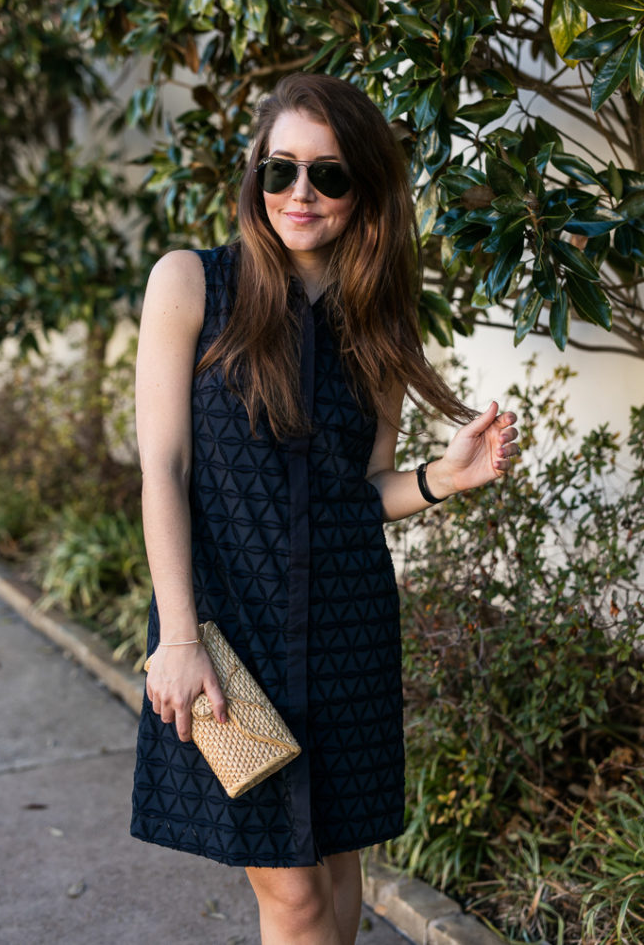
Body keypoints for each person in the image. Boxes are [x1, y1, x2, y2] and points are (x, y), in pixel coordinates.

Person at [130, 73, 519, 945]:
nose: (299, 194)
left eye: (329, 175)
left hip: (346, 631)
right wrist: (180, 639)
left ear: (366, 191)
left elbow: (362, 489)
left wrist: (443, 480)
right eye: (281, 170)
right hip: (225, 636)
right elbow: (162, 467)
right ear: (256, 177)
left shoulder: (378, 322)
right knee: (296, 896)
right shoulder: (191, 284)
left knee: (341, 873)